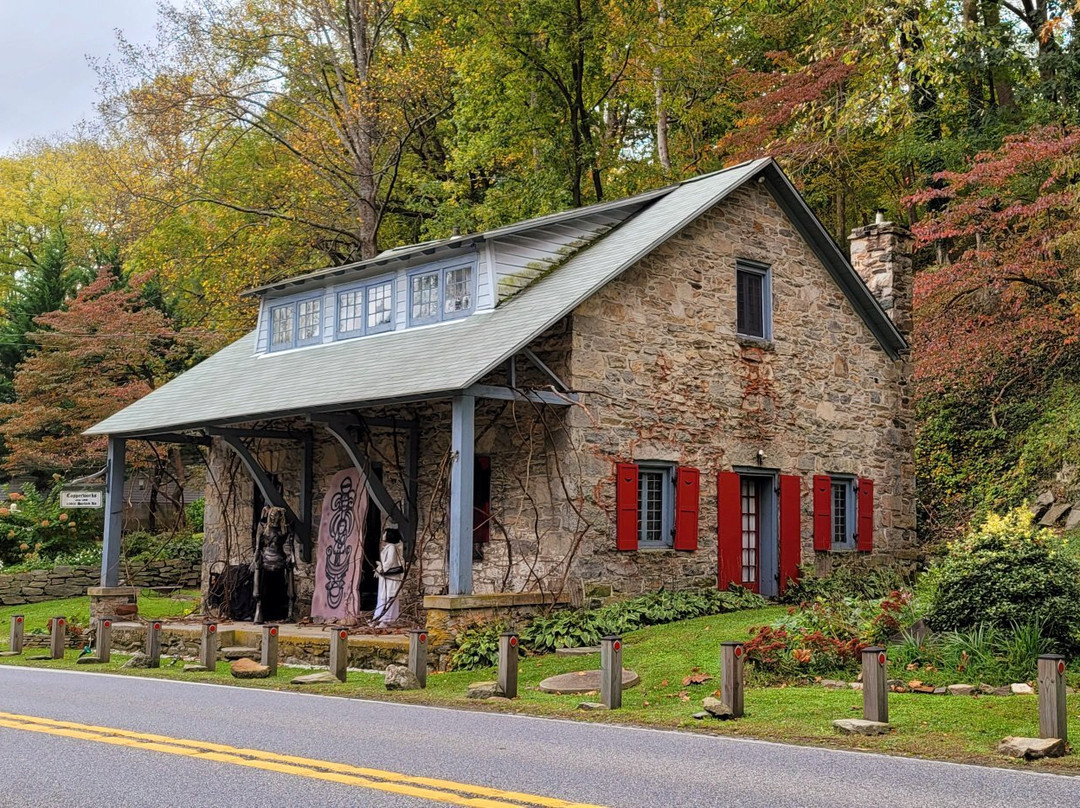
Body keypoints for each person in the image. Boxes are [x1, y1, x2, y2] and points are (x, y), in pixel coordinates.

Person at [374, 528, 405, 625]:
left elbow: (390, 561)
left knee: (389, 597)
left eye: (385, 533)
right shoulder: (388, 547)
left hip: (390, 577)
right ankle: (380, 618)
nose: (383, 535)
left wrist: (381, 569)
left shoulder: (391, 547)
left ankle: (386, 619)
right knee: (384, 597)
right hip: (386, 578)